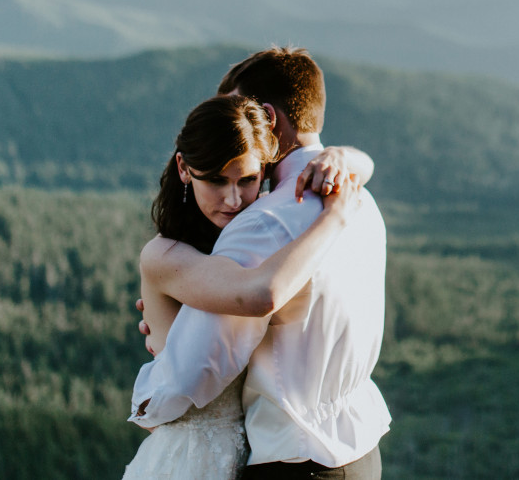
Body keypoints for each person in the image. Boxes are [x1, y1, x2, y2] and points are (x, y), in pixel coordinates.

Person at [131, 47, 389, 479]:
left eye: (238, 107)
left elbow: (197, 367)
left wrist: (153, 390)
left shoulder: (265, 224)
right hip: (359, 449)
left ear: (265, 117)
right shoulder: (359, 195)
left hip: (295, 456)